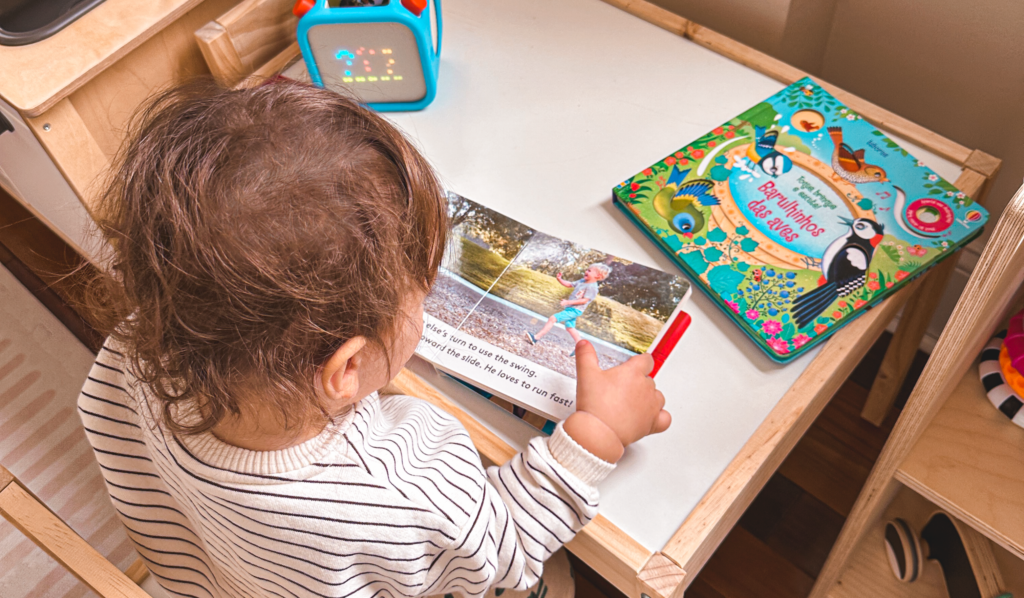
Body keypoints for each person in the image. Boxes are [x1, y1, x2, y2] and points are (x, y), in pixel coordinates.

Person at [78, 80, 671, 598]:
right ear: (346, 368)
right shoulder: (398, 491)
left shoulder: (139, 345)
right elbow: (504, 550)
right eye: (422, 288)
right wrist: (598, 435)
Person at [525, 264, 610, 354]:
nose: (586, 271)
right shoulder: (582, 281)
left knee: (553, 318)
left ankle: (536, 338)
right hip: (571, 309)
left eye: (589, 271)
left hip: (575, 310)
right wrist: (560, 280)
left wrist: (568, 302)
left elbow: (584, 300)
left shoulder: (592, 287)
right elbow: (570, 284)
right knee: (570, 327)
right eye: (587, 270)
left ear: (598, 276)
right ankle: (580, 348)